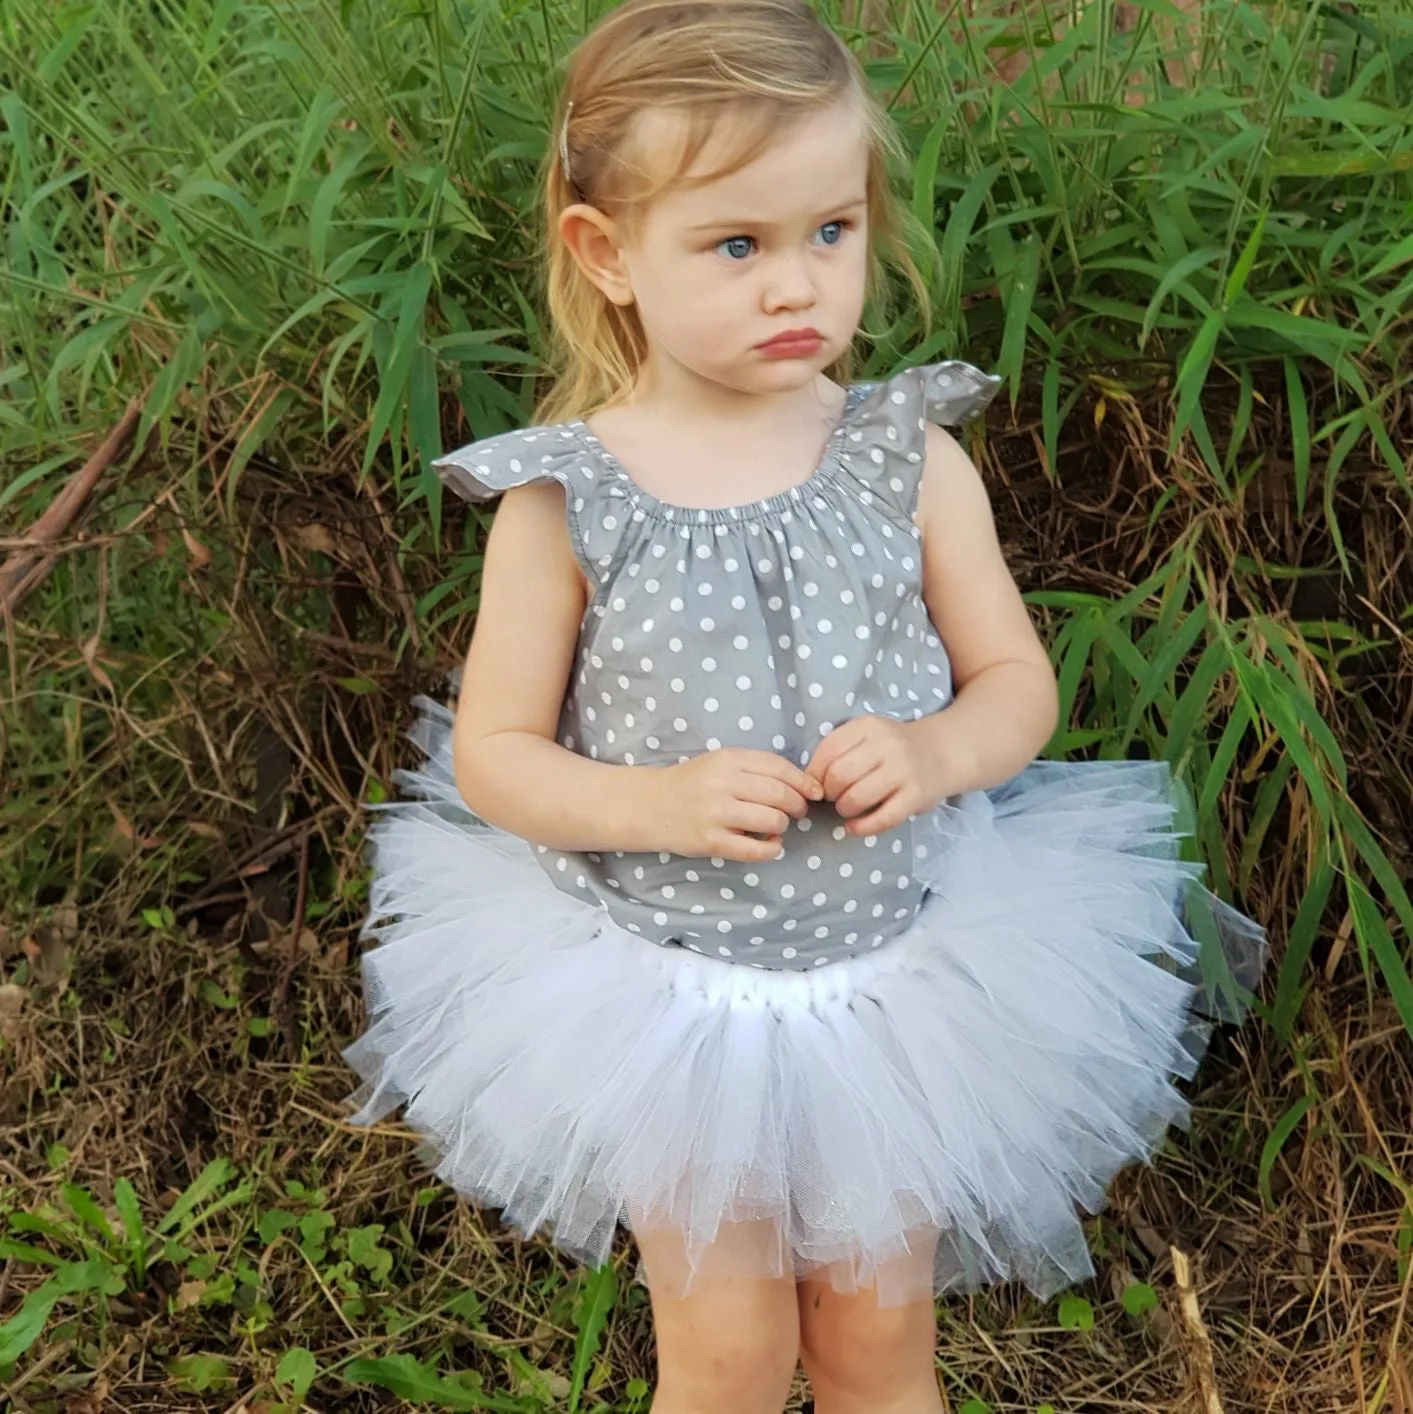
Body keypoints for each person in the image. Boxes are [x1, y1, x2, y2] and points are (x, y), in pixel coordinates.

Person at [342, 2, 1266, 1410]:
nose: (798, 287)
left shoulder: (904, 456)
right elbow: (498, 753)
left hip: (891, 984)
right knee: (725, 1356)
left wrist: (936, 746)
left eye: (830, 232)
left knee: (876, 1347)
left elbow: (1018, 682)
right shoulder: (567, 497)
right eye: (738, 245)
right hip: (671, 994)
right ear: (610, 257)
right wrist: (653, 801)